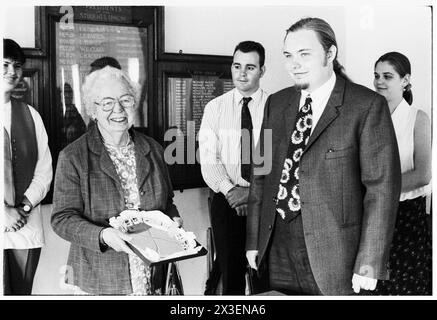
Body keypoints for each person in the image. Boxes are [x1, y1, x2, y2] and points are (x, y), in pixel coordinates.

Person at [245, 18, 402, 295]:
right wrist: (254, 240)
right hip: (276, 243)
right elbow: (260, 172)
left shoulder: (366, 106)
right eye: (288, 56)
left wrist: (369, 262)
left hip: (334, 253)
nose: (294, 64)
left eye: (305, 54)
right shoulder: (276, 103)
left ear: (330, 54)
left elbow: (382, 190)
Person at [51, 66, 182, 295]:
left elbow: (167, 200)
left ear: (134, 104)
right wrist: (104, 235)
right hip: (100, 276)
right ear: (93, 110)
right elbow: (62, 219)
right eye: (107, 103)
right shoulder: (73, 157)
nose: (118, 109)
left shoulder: (153, 149)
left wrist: (173, 219)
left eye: (125, 100)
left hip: (151, 271)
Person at [199, 41, 269, 294]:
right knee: (231, 274)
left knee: (265, 273)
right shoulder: (215, 108)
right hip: (226, 201)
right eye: (237, 66)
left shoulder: (276, 107)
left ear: (262, 71)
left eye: (250, 67)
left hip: (265, 203)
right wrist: (232, 192)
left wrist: (252, 195)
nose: (242, 73)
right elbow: (209, 158)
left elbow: (281, 162)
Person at [372, 52, 432, 295]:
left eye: (387, 76)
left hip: (406, 217)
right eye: (376, 76)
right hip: (372, 217)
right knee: (372, 287)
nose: (379, 82)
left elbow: (422, 174)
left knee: (406, 287)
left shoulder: (418, 118)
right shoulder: (369, 117)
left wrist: (378, 189)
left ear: (405, 80)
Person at [3, 38, 53, 294]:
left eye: (17, 66)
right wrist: (3, 213)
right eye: (5, 64)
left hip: (25, 226)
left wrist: (23, 207)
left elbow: (44, 171)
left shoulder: (31, 116)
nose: (12, 72)